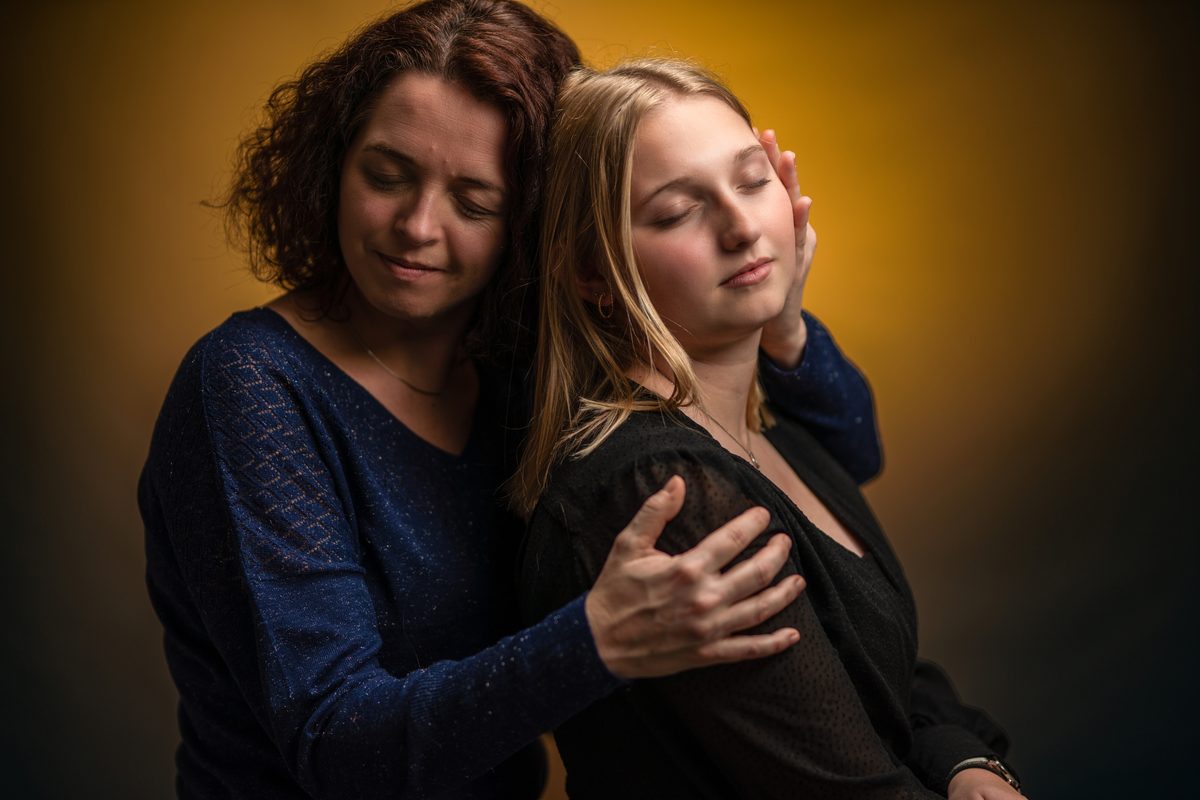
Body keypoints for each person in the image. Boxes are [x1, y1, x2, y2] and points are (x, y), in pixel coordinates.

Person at [139, 2, 882, 798]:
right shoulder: (248, 385)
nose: (417, 227)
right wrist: (596, 639)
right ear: (333, 164)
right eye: (386, 176)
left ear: (533, 221)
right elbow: (334, 744)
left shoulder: (527, 363)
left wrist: (786, 328)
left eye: (474, 202)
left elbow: (845, 459)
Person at [516, 59, 1021, 800]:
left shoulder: (774, 440)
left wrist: (963, 759)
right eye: (678, 210)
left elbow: (881, 674)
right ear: (594, 271)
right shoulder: (663, 491)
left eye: (753, 181)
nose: (741, 225)